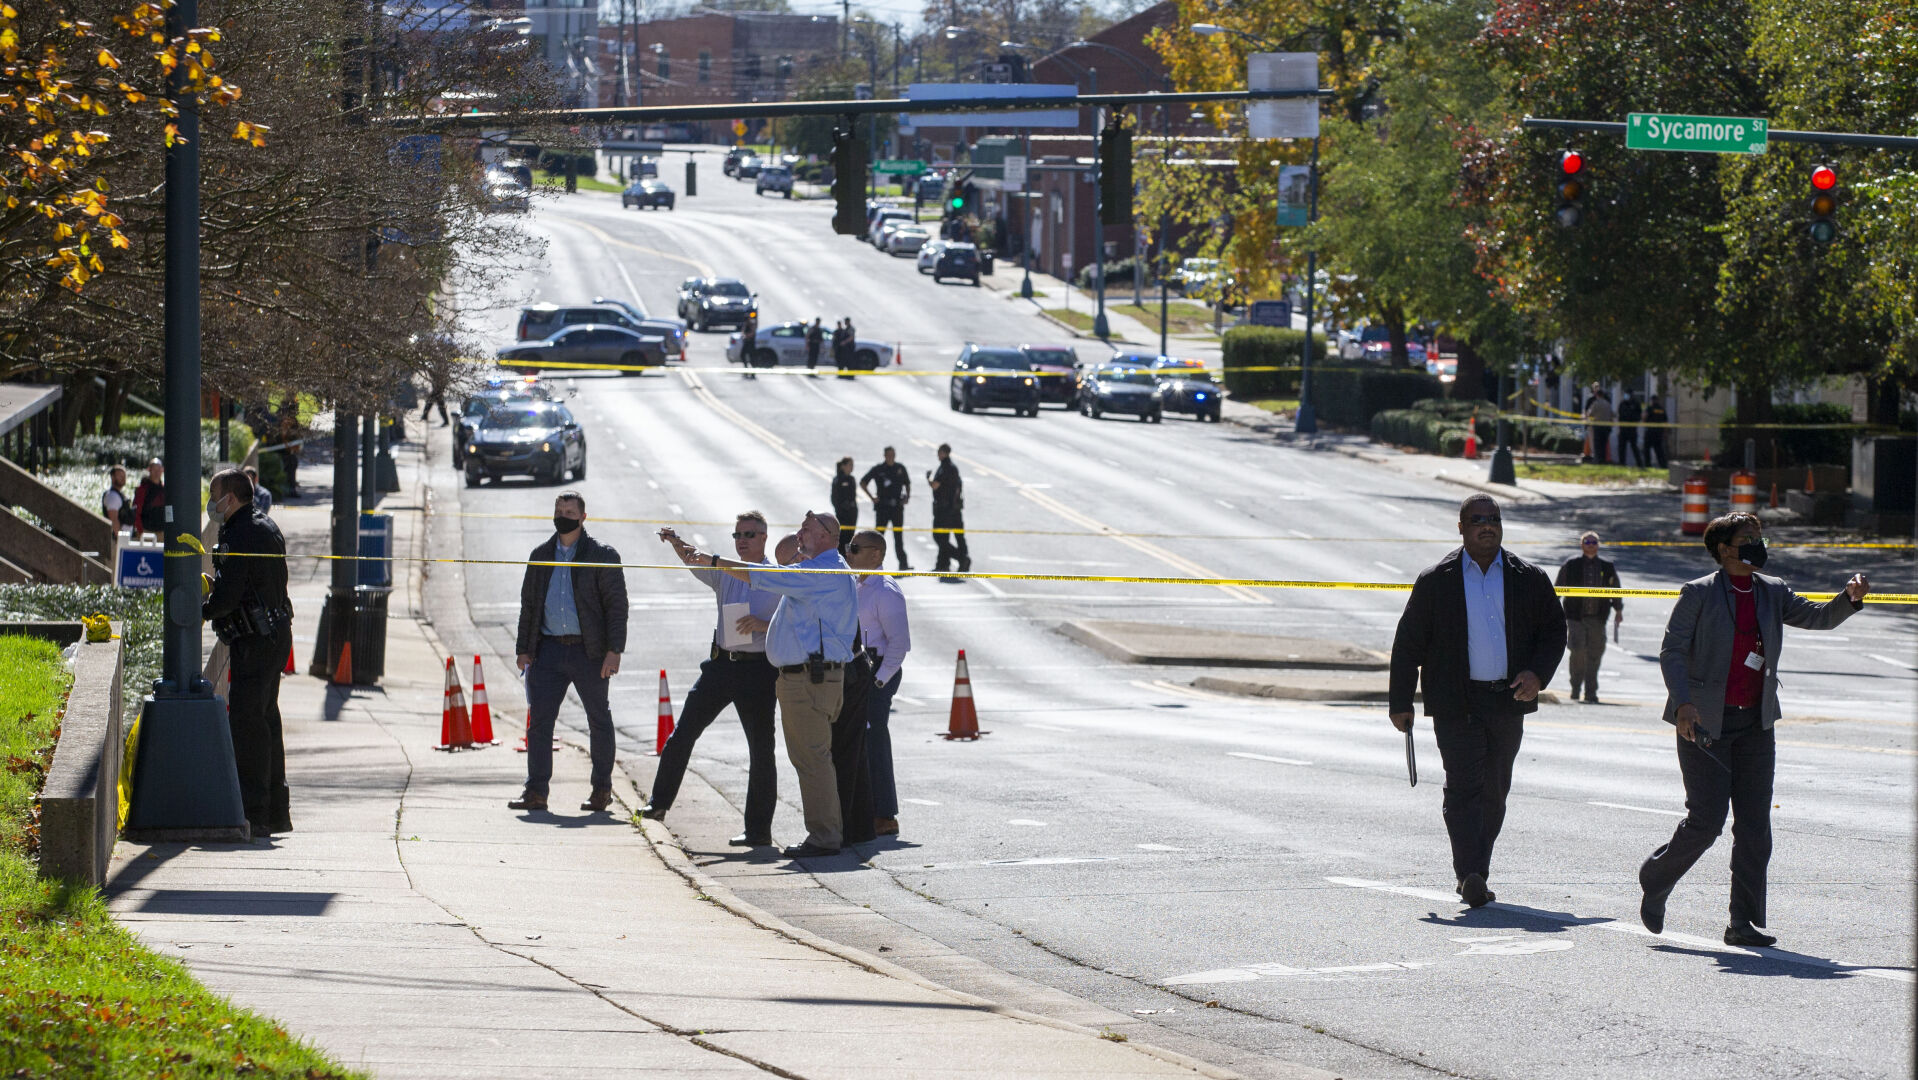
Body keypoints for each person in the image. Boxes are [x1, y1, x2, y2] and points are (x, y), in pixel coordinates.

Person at [1639, 513, 1869, 947]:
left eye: (1760, 537)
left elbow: (1818, 618)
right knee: (1706, 822)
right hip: (1704, 721)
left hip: (1756, 723)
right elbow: (1671, 651)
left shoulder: (1772, 590)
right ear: (1726, 549)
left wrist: (1849, 599)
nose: (1758, 545)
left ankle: (1741, 922)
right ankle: (1657, 876)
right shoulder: (1699, 593)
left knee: (1754, 826)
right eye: (1748, 539)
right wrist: (1684, 703)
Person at [1389, 495, 1566, 908]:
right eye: (1477, 520)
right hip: (1456, 702)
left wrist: (1537, 674)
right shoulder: (1436, 580)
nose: (1487, 526)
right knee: (1464, 787)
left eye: (1494, 519)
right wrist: (1401, 701)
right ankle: (1470, 873)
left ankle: (1476, 871)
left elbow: (1554, 632)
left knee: (1494, 790)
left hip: (1507, 700)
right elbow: (1408, 643)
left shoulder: (1528, 577)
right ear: (1461, 526)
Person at [680, 511, 857, 858]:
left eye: (805, 530)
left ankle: (825, 836)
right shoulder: (816, 570)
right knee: (812, 758)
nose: (799, 535)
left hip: (810, 678)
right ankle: (827, 832)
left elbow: (760, 575)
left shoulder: (819, 571)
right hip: (808, 677)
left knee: (812, 760)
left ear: (825, 535)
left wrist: (714, 560)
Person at [647, 513, 782, 846]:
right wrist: (676, 542)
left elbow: (795, 623)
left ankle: (758, 831)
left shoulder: (776, 578)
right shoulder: (725, 573)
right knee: (682, 735)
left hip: (758, 670)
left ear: (764, 537)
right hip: (722, 666)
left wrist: (762, 626)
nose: (742, 539)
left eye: (749, 534)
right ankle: (658, 804)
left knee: (761, 751)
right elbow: (694, 558)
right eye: (737, 534)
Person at [509, 492, 628, 814]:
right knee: (539, 724)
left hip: (589, 652)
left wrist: (614, 651)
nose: (564, 516)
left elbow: (616, 608)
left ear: (583, 517)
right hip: (547, 652)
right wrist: (524, 649)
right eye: (559, 510)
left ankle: (601, 791)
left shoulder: (601, 555)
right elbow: (529, 606)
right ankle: (536, 792)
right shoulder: (541, 554)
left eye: (570, 511)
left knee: (599, 720)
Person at [201, 468, 294, 836]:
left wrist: (204, 608)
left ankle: (255, 813)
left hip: (255, 641)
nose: (212, 502)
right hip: (274, 637)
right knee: (266, 720)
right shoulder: (264, 525)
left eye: (215, 494)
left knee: (248, 725)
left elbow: (228, 595)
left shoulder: (241, 532)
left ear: (232, 497)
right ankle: (275, 810)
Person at [848, 530, 910, 837]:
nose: (850, 553)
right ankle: (863, 809)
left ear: (876, 554)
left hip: (877, 670)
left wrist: (879, 682)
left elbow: (900, 644)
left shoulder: (886, 590)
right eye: (849, 547)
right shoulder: (856, 584)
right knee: (855, 741)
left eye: (856, 548)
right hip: (858, 668)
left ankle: (885, 814)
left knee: (875, 741)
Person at [1555, 531, 1622, 703]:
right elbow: (1558, 588)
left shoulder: (1607, 567)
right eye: (1587, 542)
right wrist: (1553, 610)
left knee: (1595, 654)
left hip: (1598, 618)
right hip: (1575, 617)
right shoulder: (1571, 565)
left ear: (1598, 545)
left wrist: (1618, 610)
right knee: (1577, 651)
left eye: (1594, 542)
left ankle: (1591, 692)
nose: (1590, 545)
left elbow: (1616, 590)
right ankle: (1575, 687)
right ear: (1581, 545)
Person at [861, 447, 912, 571]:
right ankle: (873, 563)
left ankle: (903, 564)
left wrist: (907, 497)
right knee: (878, 537)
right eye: (888, 455)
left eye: (893, 455)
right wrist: (872, 497)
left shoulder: (900, 468)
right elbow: (863, 482)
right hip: (882, 507)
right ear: (884, 455)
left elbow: (907, 483)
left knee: (898, 537)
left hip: (897, 507)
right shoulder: (879, 469)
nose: (891, 457)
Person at [928, 442, 968, 581]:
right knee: (948, 537)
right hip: (952, 508)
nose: (938, 454)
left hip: (945, 509)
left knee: (940, 537)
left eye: (939, 452)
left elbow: (935, 485)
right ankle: (943, 563)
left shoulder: (946, 467)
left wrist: (928, 479)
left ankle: (960, 558)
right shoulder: (952, 467)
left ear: (944, 452)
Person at [831, 457, 860, 554]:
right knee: (843, 536)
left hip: (852, 512)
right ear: (843, 466)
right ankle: (841, 554)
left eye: (852, 465)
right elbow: (834, 498)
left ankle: (849, 556)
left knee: (851, 536)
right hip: (842, 513)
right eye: (849, 465)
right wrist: (840, 510)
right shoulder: (838, 479)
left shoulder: (851, 479)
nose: (851, 467)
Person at [132, 458, 166, 536]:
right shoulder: (142, 489)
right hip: (145, 531)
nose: (157, 472)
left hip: (162, 532)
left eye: (159, 469)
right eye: (154, 469)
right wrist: (140, 530)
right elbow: (137, 510)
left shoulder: (164, 489)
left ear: (162, 470)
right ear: (149, 470)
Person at [1583, 383, 1614, 464]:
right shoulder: (1607, 403)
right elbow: (1613, 414)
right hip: (1606, 427)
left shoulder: (1595, 403)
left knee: (1597, 444)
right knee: (1603, 444)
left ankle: (1597, 459)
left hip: (1597, 427)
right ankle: (1603, 459)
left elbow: (1589, 413)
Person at [1616, 391, 1643, 467]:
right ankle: (1622, 463)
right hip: (1623, 429)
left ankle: (1639, 464)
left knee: (1634, 447)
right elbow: (1620, 416)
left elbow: (1638, 416)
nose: (1626, 396)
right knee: (1621, 447)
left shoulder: (1636, 404)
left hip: (1632, 429)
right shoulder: (1622, 404)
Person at [1642, 396, 1670, 467]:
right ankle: (1663, 466)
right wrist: (1665, 433)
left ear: (1652, 401)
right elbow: (1665, 422)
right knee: (1659, 451)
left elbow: (1644, 418)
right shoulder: (1662, 409)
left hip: (1650, 432)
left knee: (1646, 450)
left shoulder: (1650, 408)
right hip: (1658, 433)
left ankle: (1648, 465)